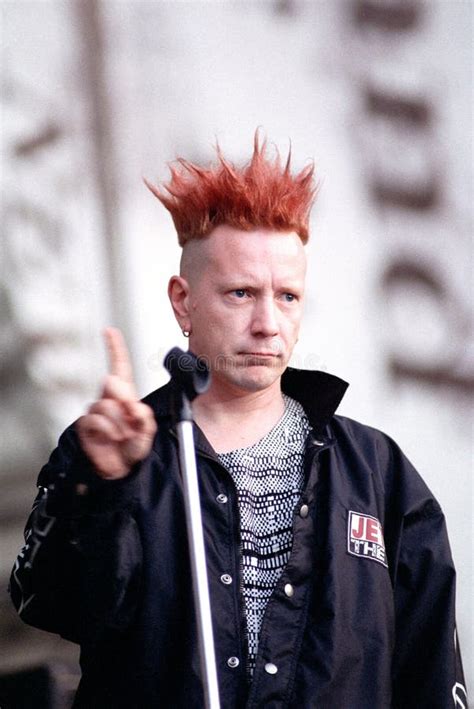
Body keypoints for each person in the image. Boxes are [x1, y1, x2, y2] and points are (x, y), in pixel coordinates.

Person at [10, 134, 467, 708]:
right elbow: (45, 601)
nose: (267, 323)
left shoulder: (378, 472)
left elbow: (431, 672)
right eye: (241, 293)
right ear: (183, 301)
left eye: (289, 297)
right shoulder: (113, 450)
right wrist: (102, 485)